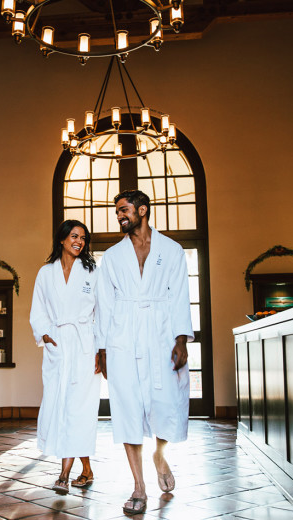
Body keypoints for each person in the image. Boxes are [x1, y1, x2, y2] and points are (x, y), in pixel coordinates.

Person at [95, 189, 193, 515]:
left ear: (143, 210)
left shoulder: (172, 250)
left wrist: (181, 339)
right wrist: (103, 348)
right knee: (127, 408)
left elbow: (180, 295)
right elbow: (104, 306)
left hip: (160, 332)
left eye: (124, 210)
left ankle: (160, 455)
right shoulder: (112, 257)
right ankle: (138, 487)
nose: (120, 216)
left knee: (165, 404)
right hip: (123, 335)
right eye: (117, 212)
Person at [30, 220, 102, 494]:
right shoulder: (45, 273)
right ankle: (86, 469)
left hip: (85, 345)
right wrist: (46, 336)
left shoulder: (92, 271)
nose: (79, 241)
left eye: (83, 237)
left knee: (80, 408)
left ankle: (63, 474)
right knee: (59, 405)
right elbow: (38, 310)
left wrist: (100, 349)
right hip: (58, 345)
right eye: (74, 236)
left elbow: (102, 311)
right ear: (62, 239)